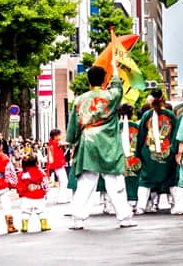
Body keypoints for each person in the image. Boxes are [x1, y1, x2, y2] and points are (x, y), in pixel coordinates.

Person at [66, 64, 136, 230]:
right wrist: (116, 71)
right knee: (115, 182)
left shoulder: (80, 99)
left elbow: (73, 126)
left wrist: (72, 141)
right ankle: (124, 217)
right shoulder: (110, 96)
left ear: (88, 80)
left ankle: (78, 219)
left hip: (88, 142)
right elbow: (118, 88)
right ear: (104, 79)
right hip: (108, 143)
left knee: (85, 184)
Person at [135, 89, 177, 214]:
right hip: (168, 153)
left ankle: (141, 206)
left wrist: (138, 153)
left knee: (146, 180)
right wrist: (175, 151)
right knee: (171, 179)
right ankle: (175, 205)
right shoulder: (170, 114)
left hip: (149, 154)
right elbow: (175, 134)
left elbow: (141, 136)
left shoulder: (146, 115)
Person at [17, 153, 50, 233]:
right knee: (41, 211)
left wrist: (21, 192)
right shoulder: (40, 172)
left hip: (26, 196)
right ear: (36, 162)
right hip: (38, 196)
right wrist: (45, 192)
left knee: (25, 212)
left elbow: (19, 185)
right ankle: (44, 225)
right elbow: (45, 184)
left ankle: (24, 226)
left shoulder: (22, 174)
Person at [117, 104, 142, 209]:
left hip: (120, 158)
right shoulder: (137, 127)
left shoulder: (116, 127)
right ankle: (136, 201)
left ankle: (122, 203)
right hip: (135, 157)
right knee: (135, 179)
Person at [47, 128, 70, 204]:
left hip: (57, 164)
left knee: (62, 181)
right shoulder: (54, 142)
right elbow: (65, 143)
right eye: (59, 135)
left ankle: (61, 198)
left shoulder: (52, 142)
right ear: (55, 136)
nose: (60, 136)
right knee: (64, 181)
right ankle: (61, 198)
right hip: (58, 164)